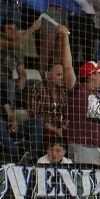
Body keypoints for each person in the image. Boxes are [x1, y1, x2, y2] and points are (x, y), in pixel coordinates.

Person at [26, 24, 75, 154]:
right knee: (38, 126)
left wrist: (63, 127)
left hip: (60, 128)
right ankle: (36, 158)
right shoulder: (38, 89)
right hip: (43, 127)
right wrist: (54, 129)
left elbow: (68, 114)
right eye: (58, 75)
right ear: (49, 75)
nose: (62, 78)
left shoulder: (65, 90)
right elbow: (34, 115)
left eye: (63, 75)